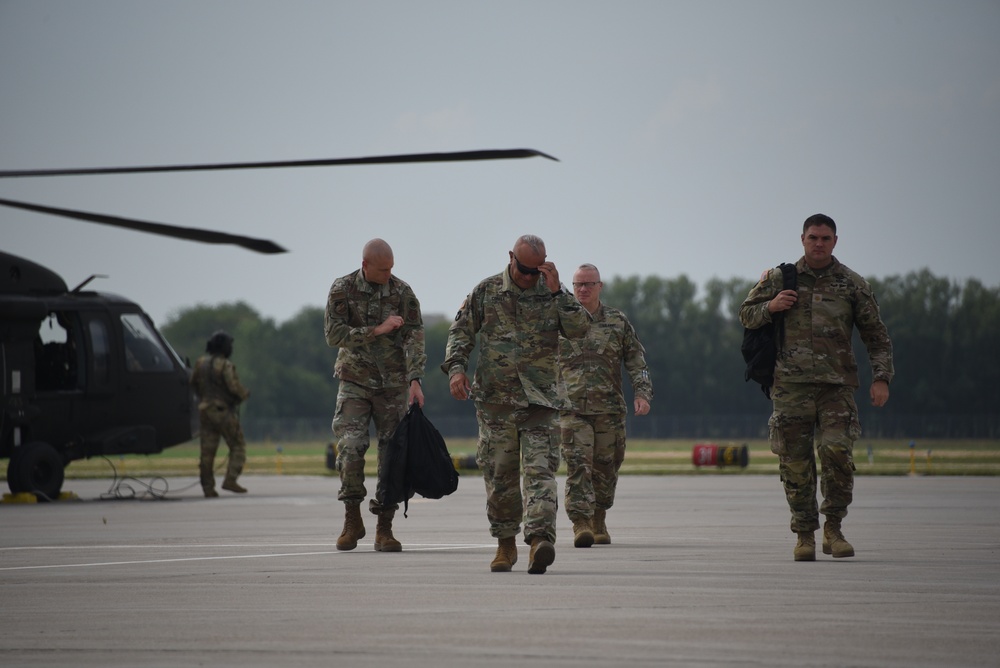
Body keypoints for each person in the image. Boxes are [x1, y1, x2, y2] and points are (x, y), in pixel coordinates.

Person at [738, 214, 894, 561]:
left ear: (835, 241)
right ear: (802, 240)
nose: (818, 244)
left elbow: (876, 335)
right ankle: (804, 534)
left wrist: (881, 377)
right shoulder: (780, 278)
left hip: (836, 387)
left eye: (825, 238)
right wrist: (771, 306)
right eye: (813, 238)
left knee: (837, 453)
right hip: (790, 385)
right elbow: (746, 314)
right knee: (795, 463)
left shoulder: (852, 284)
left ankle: (834, 528)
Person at [442, 234, 589, 574]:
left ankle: (540, 540)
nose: (529, 278)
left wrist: (557, 291)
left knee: (541, 473)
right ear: (511, 258)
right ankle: (505, 544)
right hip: (497, 402)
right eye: (524, 270)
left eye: (535, 271)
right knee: (500, 478)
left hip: (541, 402)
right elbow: (461, 332)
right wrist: (455, 370)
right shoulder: (487, 291)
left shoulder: (553, 292)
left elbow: (580, 329)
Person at [325, 238, 426, 553]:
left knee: (391, 457)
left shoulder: (402, 292)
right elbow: (334, 335)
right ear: (365, 264)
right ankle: (352, 519)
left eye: (392, 268)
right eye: (383, 269)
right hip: (354, 380)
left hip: (392, 385)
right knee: (351, 449)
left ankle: (385, 528)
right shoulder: (342, 290)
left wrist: (415, 378)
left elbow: (415, 334)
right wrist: (377, 330)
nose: (389, 274)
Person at [558, 263, 653, 548]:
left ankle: (599, 517)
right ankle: (581, 523)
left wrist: (642, 392)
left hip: (609, 410)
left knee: (606, 467)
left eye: (589, 284)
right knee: (578, 465)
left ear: (600, 286)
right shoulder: (560, 320)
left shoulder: (617, 321)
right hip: (572, 409)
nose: (583, 289)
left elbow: (636, 360)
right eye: (578, 285)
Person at [191, 330, 251, 497]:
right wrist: (243, 394)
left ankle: (208, 488)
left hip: (204, 411)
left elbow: (193, 383)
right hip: (222, 411)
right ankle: (230, 479)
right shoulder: (225, 365)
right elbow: (233, 387)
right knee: (238, 445)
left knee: (207, 452)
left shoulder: (200, 363)